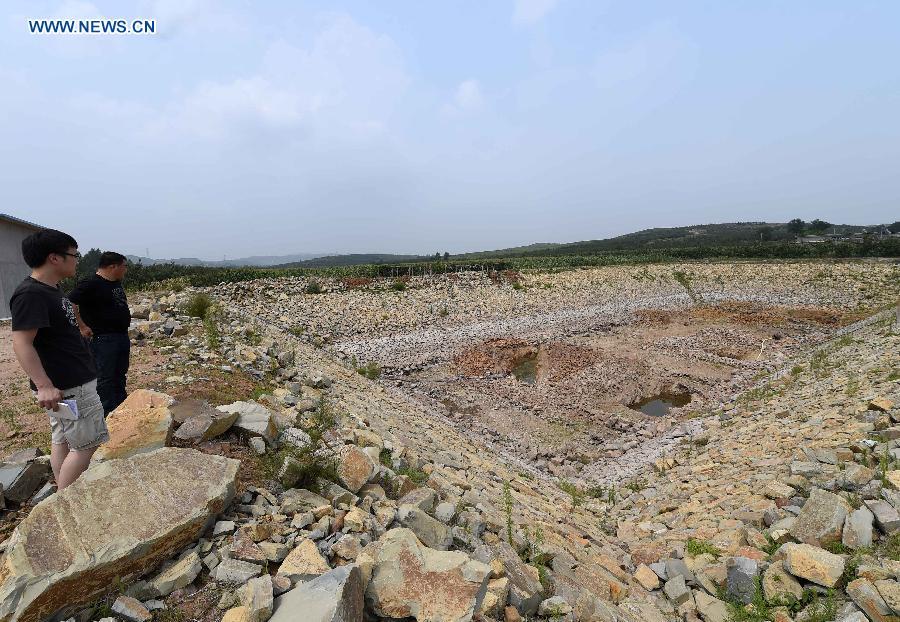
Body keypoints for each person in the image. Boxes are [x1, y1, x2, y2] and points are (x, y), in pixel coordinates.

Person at [10, 229, 109, 489]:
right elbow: (21, 342)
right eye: (74, 255)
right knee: (86, 446)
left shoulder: (50, 289)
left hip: (66, 386)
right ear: (55, 258)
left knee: (63, 441)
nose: (77, 260)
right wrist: (43, 385)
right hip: (68, 386)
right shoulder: (31, 294)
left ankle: (62, 497)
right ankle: (65, 505)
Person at [69, 251, 131, 415]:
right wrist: (81, 326)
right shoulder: (91, 283)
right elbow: (70, 303)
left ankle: (121, 408)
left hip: (121, 336)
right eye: (124, 266)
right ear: (113, 266)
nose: (126, 270)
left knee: (120, 374)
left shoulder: (115, 282)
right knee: (105, 378)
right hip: (103, 339)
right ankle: (107, 413)